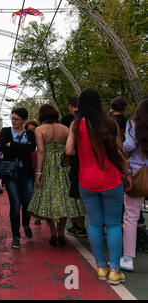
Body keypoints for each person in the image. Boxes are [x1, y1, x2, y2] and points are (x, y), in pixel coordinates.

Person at [65, 88, 131, 285]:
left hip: (87, 180)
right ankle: (115, 271)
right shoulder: (110, 123)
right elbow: (120, 151)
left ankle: (101, 268)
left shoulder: (76, 125)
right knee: (112, 225)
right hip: (111, 180)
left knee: (93, 223)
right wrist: (126, 173)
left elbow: (69, 149)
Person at [27, 104, 86, 247]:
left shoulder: (39, 130)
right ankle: (61, 233)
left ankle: (53, 233)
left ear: (42, 115)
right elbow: (69, 148)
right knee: (65, 198)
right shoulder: (65, 129)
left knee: (47, 199)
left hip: (47, 166)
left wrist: (38, 172)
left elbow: (40, 151)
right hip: (63, 165)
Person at [0, 108, 36, 249]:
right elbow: (3, 147)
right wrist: (21, 148)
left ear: (23, 120)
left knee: (27, 203)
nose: (13, 121)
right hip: (11, 173)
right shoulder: (6, 131)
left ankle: (26, 224)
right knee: (15, 204)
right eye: (12, 118)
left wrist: (13, 145)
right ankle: (16, 236)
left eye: (17, 119)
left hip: (26, 173)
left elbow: (31, 149)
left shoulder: (30, 134)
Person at [120, 98, 148, 271]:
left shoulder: (133, 124)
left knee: (131, 217)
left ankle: (128, 258)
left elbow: (128, 146)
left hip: (138, 175)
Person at [61, 97, 87, 238]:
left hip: (75, 162)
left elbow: (68, 147)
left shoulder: (69, 120)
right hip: (91, 163)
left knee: (76, 195)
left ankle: (79, 225)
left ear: (70, 106)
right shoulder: (92, 119)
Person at [24, 120, 41, 226]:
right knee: (31, 194)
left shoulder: (41, 139)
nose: (33, 131)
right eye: (30, 130)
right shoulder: (25, 140)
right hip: (29, 171)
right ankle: (36, 215)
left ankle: (38, 215)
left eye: (34, 129)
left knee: (39, 193)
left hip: (39, 170)